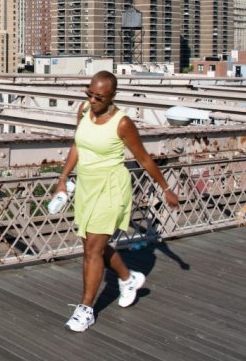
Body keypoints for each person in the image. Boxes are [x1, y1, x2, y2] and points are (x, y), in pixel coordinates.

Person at [54, 70, 179, 332]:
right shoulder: (84, 109)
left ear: (112, 96)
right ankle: (128, 277)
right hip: (87, 186)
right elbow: (78, 144)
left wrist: (166, 188)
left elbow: (144, 158)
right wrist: (63, 177)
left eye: (99, 96)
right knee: (93, 245)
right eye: (90, 93)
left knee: (91, 251)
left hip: (111, 188)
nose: (93, 100)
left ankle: (85, 310)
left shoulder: (122, 123)